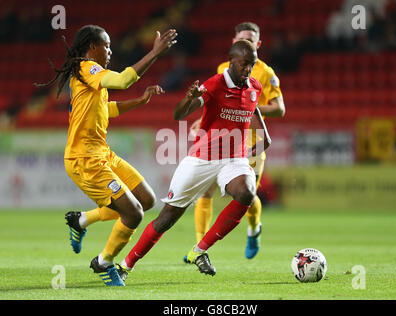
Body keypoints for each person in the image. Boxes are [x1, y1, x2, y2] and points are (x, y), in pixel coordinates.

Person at [34, 25, 177, 286]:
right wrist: (154, 53)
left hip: (102, 154)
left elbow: (105, 109)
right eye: (106, 46)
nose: (110, 51)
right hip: (85, 161)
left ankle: (81, 220)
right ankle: (104, 262)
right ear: (92, 47)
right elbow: (123, 80)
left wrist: (139, 100)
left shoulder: (91, 76)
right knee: (133, 213)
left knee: (145, 200)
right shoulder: (87, 68)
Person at [118, 40, 271, 279]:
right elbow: (178, 114)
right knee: (167, 218)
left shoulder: (254, 87)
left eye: (251, 65)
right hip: (203, 158)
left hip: (233, 160)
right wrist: (189, 99)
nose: (248, 70)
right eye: (244, 64)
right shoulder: (215, 84)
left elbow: (258, 125)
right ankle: (126, 265)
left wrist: (257, 146)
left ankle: (199, 251)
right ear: (232, 61)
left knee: (246, 193)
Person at [185, 22, 285, 261]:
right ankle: (200, 245)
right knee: (204, 191)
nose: (246, 44)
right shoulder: (224, 68)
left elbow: (279, 109)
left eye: (251, 40)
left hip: (251, 144)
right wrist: (202, 120)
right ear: (233, 43)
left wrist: (248, 107)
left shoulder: (266, 73)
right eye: (242, 40)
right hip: (222, 140)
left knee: (246, 197)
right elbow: (217, 100)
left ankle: (254, 229)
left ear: (258, 44)